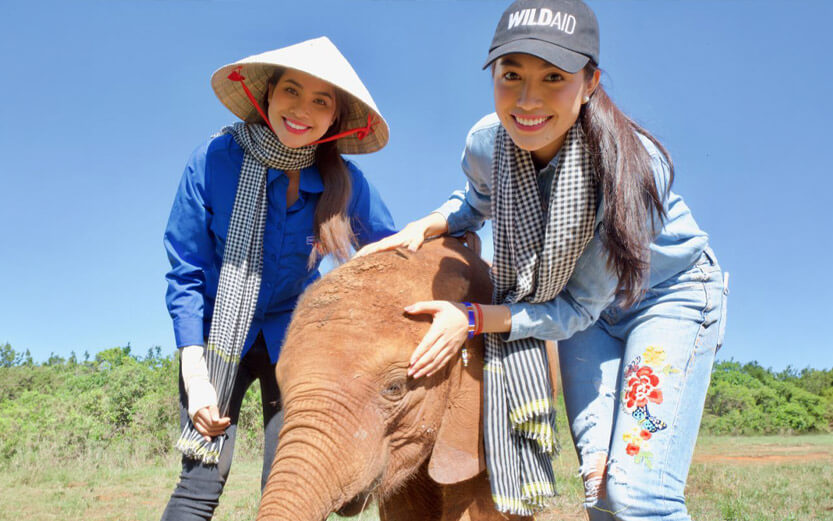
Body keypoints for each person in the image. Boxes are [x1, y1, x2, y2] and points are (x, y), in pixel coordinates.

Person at [357, 0, 728, 519]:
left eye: (554, 76)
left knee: (637, 494)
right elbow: (474, 201)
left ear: (591, 81)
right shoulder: (488, 143)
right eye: (512, 75)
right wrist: (426, 224)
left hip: (665, 297)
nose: (528, 100)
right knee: (599, 487)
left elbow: (576, 309)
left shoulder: (632, 169)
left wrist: (470, 319)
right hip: (578, 308)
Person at [161, 37, 396, 520]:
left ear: (334, 119)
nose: (302, 109)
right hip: (217, 338)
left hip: (298, 341)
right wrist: (197, 376)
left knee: (291, 487)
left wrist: (452, 235)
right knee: (200, 482)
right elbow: (184, 270)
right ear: (267, 95)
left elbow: (391, 253)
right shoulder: (212, 161)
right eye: (291, 90)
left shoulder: (346, 183)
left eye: (321, 101)